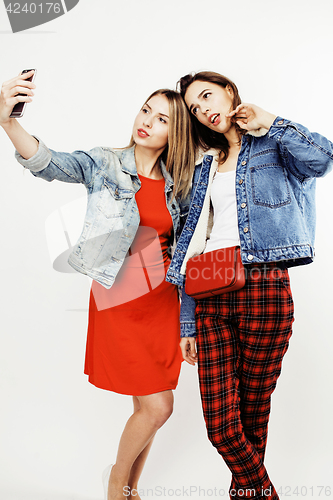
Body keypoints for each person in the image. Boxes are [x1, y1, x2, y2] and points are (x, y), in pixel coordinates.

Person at [0, 70, 195, 500]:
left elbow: (186, 248)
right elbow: (50, 163)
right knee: (160, 407)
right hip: (121, 297)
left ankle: (130, 488)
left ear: (175, 131)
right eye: (146, 109)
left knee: (149, 409)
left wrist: (189, 318)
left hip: (164, 302)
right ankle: (115, 487)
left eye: (162, 118)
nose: (146, 120)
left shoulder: (181, 183)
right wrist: (9, 122)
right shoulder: (105, 162)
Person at [165, 71, 333, 500]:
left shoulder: (274, 145)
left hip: (264, 284)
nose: (204, 109)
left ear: (230, 92)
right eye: (195, 108)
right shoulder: (204, 165)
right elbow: (190, 242)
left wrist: (271, 121)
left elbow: (323, 159)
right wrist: (187, 319)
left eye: (207, 96)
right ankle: (266, 493)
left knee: (252, 418)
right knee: (221, 426)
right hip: (208, 288)